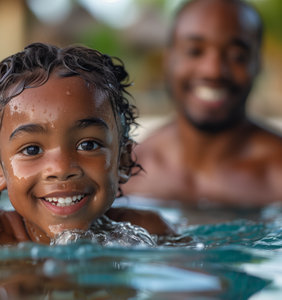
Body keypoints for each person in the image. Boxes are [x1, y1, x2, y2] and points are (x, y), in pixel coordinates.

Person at [0, 43, 174, 245]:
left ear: (122, 160)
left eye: (88, 145)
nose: (62, 169)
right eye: (32, 150)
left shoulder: (147, 232)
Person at [121, 0, 282, 207]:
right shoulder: (127, 173)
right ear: (168, 60)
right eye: (194, 51)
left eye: (237, 56)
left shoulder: (277, 173)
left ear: (257, 65)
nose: (213, 70)